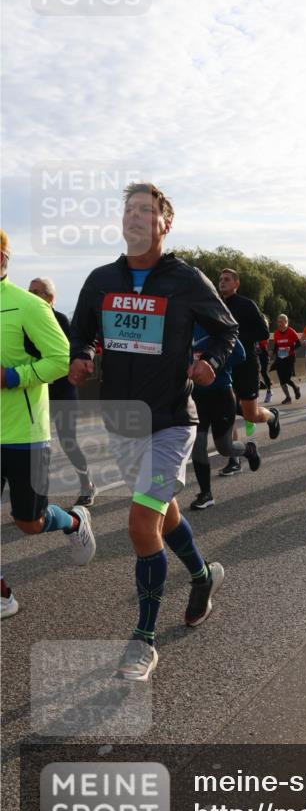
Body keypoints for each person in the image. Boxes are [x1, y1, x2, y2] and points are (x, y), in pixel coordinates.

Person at [69, 183, 238, 681]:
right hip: (122, 422)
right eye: (129, 211)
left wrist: (208, 361)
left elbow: (226, 330)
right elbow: (83, 330)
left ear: (165, 224)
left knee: (141, 523)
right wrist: (84, 354)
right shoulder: (101, 279)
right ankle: (203, 576)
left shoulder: (185, 280)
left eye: (146, 210)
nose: (136, 218)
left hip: (170, 423)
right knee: (162, 514)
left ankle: (143, 640)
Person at [1, 230, 96, 621]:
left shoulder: (28, 307)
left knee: (29, 521)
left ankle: (74, 520)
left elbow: (60, 360)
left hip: (24, 433)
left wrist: (10, 377)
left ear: (3, 258)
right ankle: (4, 596)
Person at [28, 277, 96, 507]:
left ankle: (87, 485)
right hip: (37, 392)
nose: (32, 295)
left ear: (50, 298)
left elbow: (70, 352)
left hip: (63, 391)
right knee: (36, 445)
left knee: (68, 442)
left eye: (38, 292)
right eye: (30, 291)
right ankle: (38, 495)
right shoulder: (24, 321)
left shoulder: (60, 320)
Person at [218, 269, 280, 474]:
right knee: (226, 410)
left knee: (250, 414)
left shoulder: (246, 304)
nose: (222, 282)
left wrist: (235, 336)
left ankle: (271, 417)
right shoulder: (216, 305)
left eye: (227, 279)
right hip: (225, 365)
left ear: (236, 283)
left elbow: (263, 332)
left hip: (247, 364)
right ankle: (234, 459)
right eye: (220, 279)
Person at [190, 331, 260, 509]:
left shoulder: (218, 324)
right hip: (196, 395)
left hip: (221, 393)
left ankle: (249, 450)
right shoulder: (185, 323)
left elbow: (240, 355)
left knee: (225, 447)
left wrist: (212, 364)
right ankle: (206, 494)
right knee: (197, 444)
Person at [272, 314, 301, 403]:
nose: (279, 324)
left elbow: (298, 344)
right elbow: (276, 346)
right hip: (280, 358)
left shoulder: (291, 331)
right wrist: (272, 353)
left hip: (289, 358)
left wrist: (290, 348)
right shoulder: (276, 333)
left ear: (286, 322)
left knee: (287, 378)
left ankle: (296, 388)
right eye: (278, 322)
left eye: (281, 322)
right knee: (281, 380)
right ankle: (288, 397)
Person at [257, 323, 273, 403]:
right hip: (255, 354)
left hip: (263, 354)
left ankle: (269, 391)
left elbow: (263, 344)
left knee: (263, 372)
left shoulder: (264, 331)